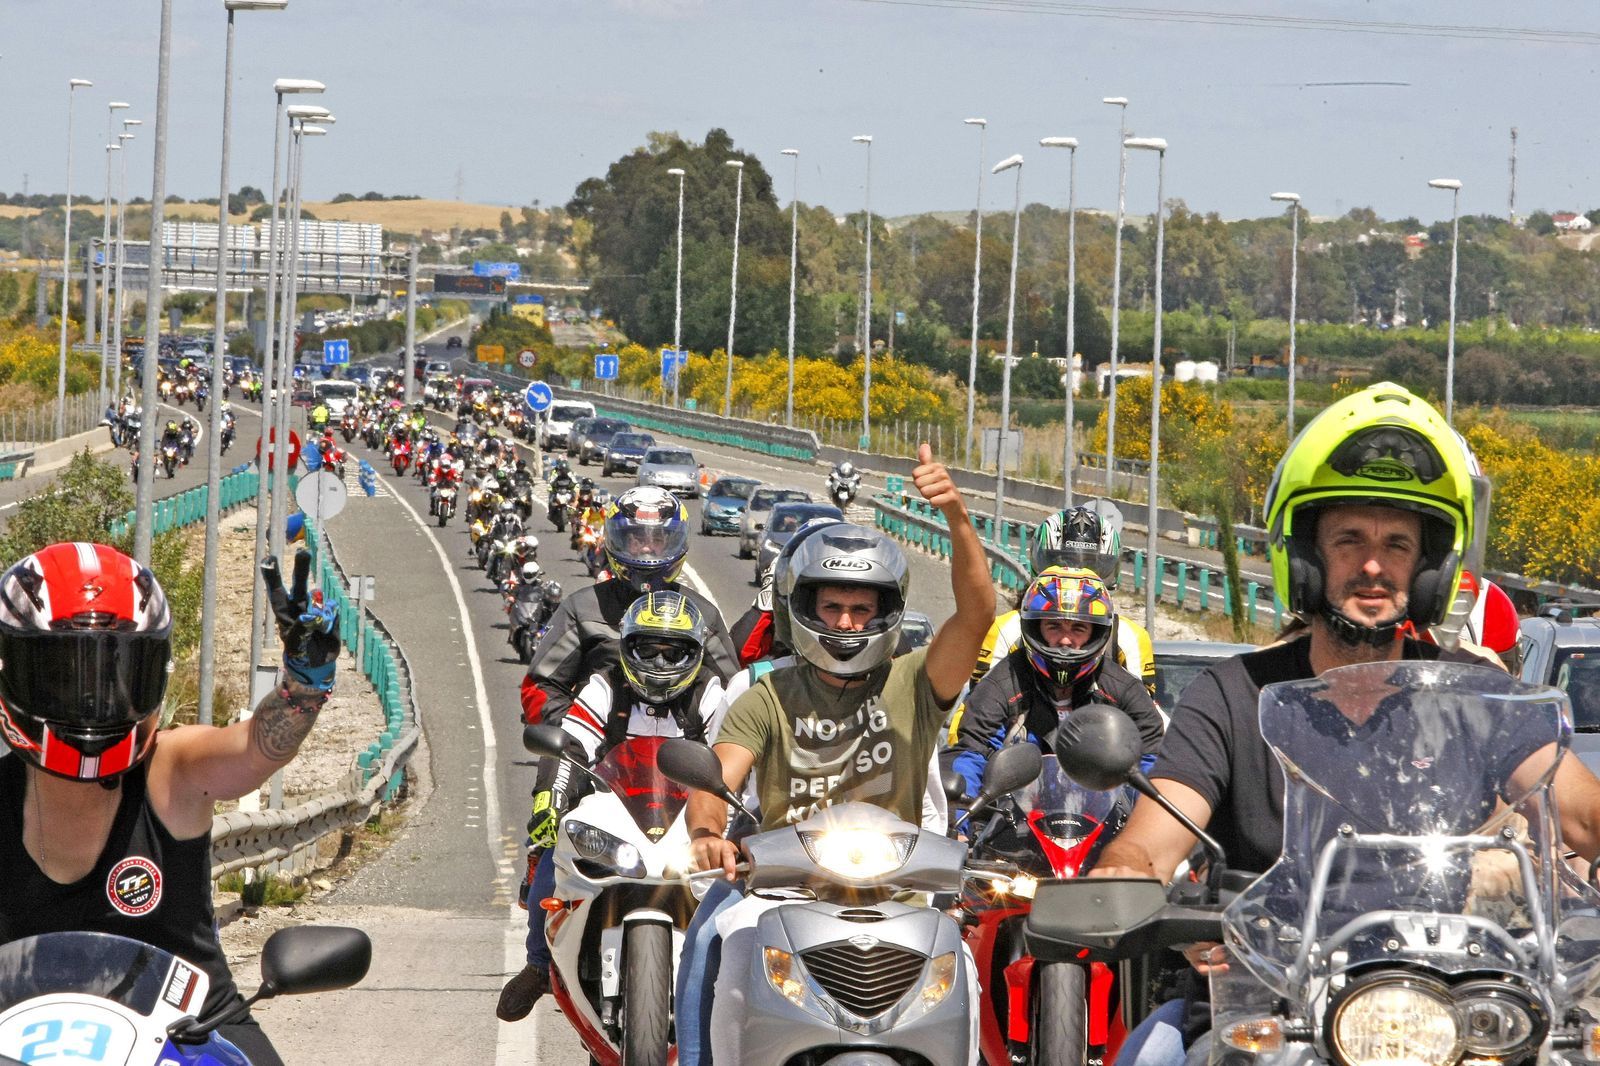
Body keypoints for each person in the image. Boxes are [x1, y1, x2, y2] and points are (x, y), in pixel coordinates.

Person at [1094, 382, 1600, 1066]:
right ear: (1305, 557)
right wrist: (1123, 884)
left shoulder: (1475, 695)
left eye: (1397, 544)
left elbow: (1583, 817)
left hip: (1454, 1007)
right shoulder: (1236, 694)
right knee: (1148, 1057)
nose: (1372, 565)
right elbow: (1150, 847)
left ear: (1427, 570)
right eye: (1348, 540)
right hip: (1269, 1003)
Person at [675, 443, 994, 1066]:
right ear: (803, 608)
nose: (847, 623)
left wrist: (956, 512)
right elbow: (716, 779)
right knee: (711, 943)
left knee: (968, 986)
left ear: (887, 613)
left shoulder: (914, 685)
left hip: (901, 898)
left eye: (861, 608)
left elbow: (979, 610)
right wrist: (709, 833)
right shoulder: (765, 695)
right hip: (778, 895)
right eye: (832, 606)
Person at [0, 544, 340, 1066]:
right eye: (64, 674)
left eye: (116, 672)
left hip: (194, 1034)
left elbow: (256, 749)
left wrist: (304, 683)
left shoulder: (172, 770)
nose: (93, 699)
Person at [498, 592, 729, 1021]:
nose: (660, 664)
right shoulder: (604, 686)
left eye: (673, 652)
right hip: (614, 810)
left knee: (745, 885)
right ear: (626, 648)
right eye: (648, 650)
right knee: (548, 859)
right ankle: (538, 966)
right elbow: (569, 745)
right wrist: (551, 804)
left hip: (689, 817)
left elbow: (731, 758)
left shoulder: (713, 694)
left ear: (696, 654)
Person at [519, 484, 739, 750]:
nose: (647, 549)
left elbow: (732, 695)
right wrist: (576, 737)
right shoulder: (582, 608)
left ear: (673, 542)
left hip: (683, 763)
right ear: (619, 541)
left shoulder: (704, 614)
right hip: (599, 759)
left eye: (657, 540)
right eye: (636, 540)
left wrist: (706, 752)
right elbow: (539, 686)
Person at [949, 565, 1164, 798]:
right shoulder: (1001, 683)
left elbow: (1152, 760)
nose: (1065, 639)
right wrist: (960, 824)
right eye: (1054, 626)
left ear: (1097, 632)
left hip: (1104, 822)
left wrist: (1147, 821)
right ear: (1035, 627)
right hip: (1014, 820)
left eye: (1078, 628)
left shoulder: (1125, 690)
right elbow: (971, 753)